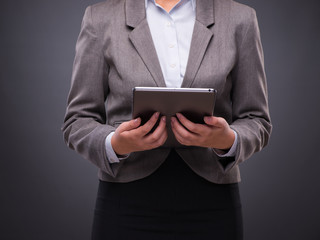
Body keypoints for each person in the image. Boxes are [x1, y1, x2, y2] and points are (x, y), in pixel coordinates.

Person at [61, 0, 272, 239]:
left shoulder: (240, 19)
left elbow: (256, 119)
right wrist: (116, 144)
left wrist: (228, 140)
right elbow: (77, 121)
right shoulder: (99, 19)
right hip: (125, 204)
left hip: (213, 204)